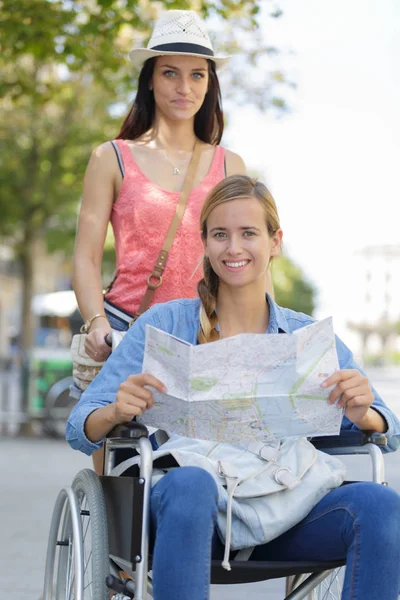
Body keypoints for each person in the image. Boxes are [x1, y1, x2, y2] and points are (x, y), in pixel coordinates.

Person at [67, 175, 400, 600]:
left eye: (249, 233)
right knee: (191, 483)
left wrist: (362, 412)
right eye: (220, 234)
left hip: (284, 511)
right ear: (205, 242)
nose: (234, 248)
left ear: (275, 241)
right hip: (187, 511)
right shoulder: (165, 325)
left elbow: (389, 430)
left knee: (381, 506)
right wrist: (116, 410)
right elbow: (81, 425)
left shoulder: (305, 338)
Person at [72, 9, 252, 472]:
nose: (184, 87)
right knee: (124, 488)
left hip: (204, 338)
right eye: (170, 72)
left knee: (212, 477)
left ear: (209, 84)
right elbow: (86, 258)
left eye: (197, 75)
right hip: (126, 336)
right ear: (150, 79)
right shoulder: (112, 157)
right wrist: (96, 324)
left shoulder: (229, 165)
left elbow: (245, 262)